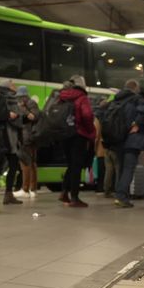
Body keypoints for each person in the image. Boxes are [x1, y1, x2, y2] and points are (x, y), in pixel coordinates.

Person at [110, 79, 144, 208]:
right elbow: (142, 115)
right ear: (135, 88)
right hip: (132, 140)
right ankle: (121, 196)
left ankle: (121, 195)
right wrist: (137, 123)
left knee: (121, 169)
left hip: (119, 139)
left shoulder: (117, 100)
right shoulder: (137, 100)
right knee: (128, 169)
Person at [58, 75, 95, 208]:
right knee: (77, 166)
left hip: (64, 135)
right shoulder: (81, 97)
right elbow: (87, 115)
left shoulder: (62, 96)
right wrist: (91, 131)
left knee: (70, 165)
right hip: (78, 135)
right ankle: (75, 198)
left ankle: (64, 193)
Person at [0, 80, 23, 205]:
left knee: (11, 165)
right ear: (8, 87)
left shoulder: (5, 97)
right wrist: (10, 115)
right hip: (5, 137)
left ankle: (6, 194)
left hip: (8, 137)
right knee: (2, 165)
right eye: (13, 84)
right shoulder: (2, 97)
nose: (15, 86)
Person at [13, 85, 40, 199]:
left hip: (27, 137)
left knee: (25, 163)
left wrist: (22, 108)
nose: (18, 100)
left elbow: (33, 117)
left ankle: (25, 189)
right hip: (29, 137)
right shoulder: (30, 103)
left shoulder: (30, 103)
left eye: (20, 97)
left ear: (24, 96)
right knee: (32, 163)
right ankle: (32, 189)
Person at [94, 99, 109, 194]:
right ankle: (107, 188)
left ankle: (100, 187)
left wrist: (94, 148)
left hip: (100, 148)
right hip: (109, 146)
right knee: (108, 169)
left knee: (101, 169)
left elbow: (96, 135)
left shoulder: (98, 118)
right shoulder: (110, 116)